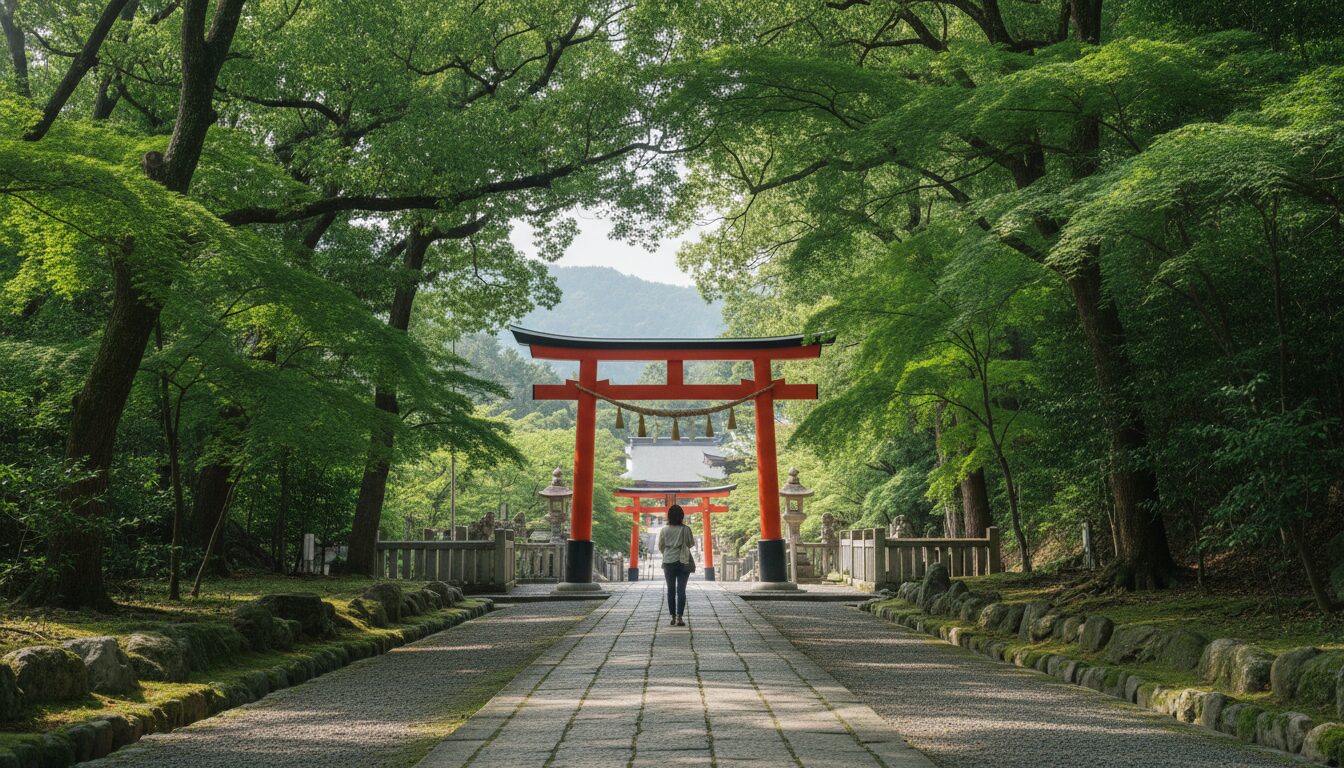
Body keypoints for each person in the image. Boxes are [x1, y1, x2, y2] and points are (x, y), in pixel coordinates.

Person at [657, 504, 695, 626]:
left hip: (668, 561)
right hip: (683, 560)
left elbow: (661, 546)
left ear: (669, 516)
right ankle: (680, 617)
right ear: (681, 516)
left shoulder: (664, 530)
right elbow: (690, 544)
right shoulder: (686, 529)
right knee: (681, 590)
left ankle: (672, 617)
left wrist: (668, 552)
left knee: (670, 590)